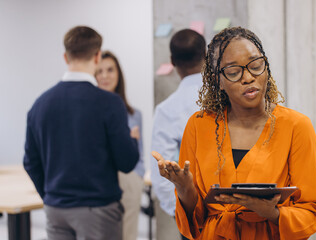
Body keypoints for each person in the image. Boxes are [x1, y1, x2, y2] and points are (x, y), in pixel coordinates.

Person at [152, 26, 316, 239]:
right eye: (234, 72)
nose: (248, 77)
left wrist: (269, 211)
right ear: (219, 81)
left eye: (256, 66)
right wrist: (184, 187)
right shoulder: (199, 125)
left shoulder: (296, 126)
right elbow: (195, 221)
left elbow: (312, 210)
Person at [23, 26, 139, 240]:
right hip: (98, 209)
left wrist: (51, 196)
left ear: (65, 57)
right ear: (97, 57)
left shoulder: (40, 105)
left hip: (56, 211)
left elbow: (30, 161)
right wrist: (133, 141)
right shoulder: (109, 103)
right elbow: (126, 162)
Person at [150, 29, 206, 240]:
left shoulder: (167, 109)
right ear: (206, 54)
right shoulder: (228, 97)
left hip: (191, 210)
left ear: (172, 61)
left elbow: (160, 167)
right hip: (233, 206)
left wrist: (178, 211)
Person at [95, 50, 145, 240]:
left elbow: (138, 153)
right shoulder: (89, 111)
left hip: (129, 181)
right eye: (99, 71)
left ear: (118, 74)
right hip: (99, 182)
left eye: (110, 70)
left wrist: (138, 177)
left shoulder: (134, 114)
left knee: (127, 234)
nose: (105, 76)